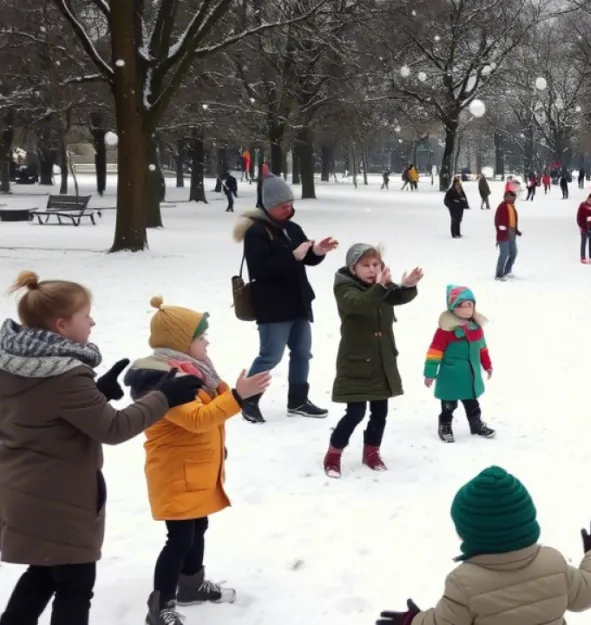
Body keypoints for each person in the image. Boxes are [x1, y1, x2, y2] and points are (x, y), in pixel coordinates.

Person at [0, 272, 203, 625]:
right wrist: (163, 398)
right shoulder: (64, 375)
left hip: (22, 488)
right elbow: (113, 428)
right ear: (62, 325)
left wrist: (98, 395)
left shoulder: (13, 362)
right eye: (85, 315)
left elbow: (39, 413)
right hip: (57, 498)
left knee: (45, 572)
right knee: (75, 585)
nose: (92, 321)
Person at [123, 298, 270, 625]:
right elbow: (197, 420)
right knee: (179, 538)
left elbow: (218, 400)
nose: (207, 342)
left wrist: (237, 392)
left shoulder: (196, 371)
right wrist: (236, 397)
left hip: (196, 470)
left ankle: (190, 585)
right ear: (181, 342)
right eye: (201, 337)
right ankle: (160, 605)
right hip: (175, 472)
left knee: (197, 527)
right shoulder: (160, 381)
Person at [375, 466, 591, 625]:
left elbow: (443, 623)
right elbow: (589, 590)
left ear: (468, 532)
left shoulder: (464, 582)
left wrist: (412, 621)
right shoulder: (553, 562)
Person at [232, 173, 339, 422]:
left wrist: (318, 251)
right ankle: (248, 400)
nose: (289, 209)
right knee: (271, 356)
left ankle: (298, 400)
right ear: (268, 206)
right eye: (283, 206)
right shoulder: (256, 232)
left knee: (302, 353)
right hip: (272, 306)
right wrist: (293, 256)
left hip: (298, 302)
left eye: (291, 204)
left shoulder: (292, 228)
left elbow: (306, 257)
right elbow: (260, 270)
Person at [324, 245, 422, 477]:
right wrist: (380, 286)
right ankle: (334, 453)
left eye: (376, 265)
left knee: (380, 412)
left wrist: (407, 285)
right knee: (355, 412)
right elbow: (357, 304)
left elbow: (397, 296)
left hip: (382, 358)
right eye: (366, 265)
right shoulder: (344, 287)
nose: (372, 270)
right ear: (353, 268)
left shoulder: (380, 287)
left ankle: (372, 452)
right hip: (356, 360)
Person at [423, 286, 495, 442]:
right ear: (454, 307)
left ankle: (476, 424)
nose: (469, 308)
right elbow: (434, 352)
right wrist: (429, 373)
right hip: (451, 375)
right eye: (464, 304)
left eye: (471, 304)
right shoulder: (445, 330)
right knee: (449, 405)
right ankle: (445, 426)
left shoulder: (476, 327)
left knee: (473, 404)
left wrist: (487, 365)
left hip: (470, 375)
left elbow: (482, 348)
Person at [493, 188, 521, 281]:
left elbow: (513, 221)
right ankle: (499, 273)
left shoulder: (512, 207)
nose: (513, 199)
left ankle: (507, 271)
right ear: (506, 197)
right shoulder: (502, 206)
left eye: (514, 197)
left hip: (512, 234)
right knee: (504, 253)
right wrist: (500, 228)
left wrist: (516, 230)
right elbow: (497, 219)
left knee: (513, 253)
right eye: (511, 197)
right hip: (503, 234)